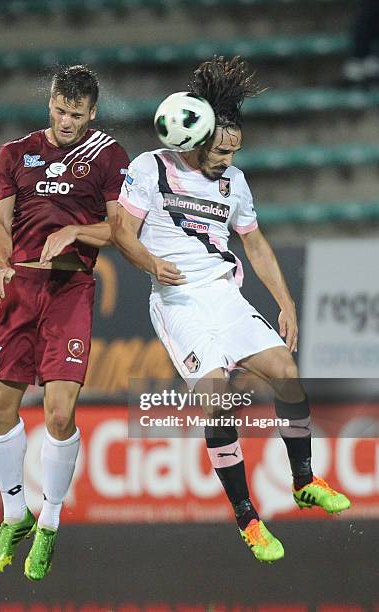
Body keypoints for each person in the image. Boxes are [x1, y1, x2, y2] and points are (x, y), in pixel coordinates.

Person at [111, 56, 350, 563]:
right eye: (220, 149)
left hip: (225, 296)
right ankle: (247, 517)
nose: (227, 158)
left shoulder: (233, 183)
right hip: (179, 303)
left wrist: (285, 302)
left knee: (286, 372)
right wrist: (153, 262)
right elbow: (120, 235)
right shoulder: (149, 168)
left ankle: (304, 481)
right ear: (197, 136)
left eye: (235, 150)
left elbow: (256, 245)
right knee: (218, 396)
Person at [0, 65, 129, 580]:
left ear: (92, 113)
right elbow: (0, 222)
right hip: (20, 286)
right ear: (51, 104)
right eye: (60, 110)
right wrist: (1, 267)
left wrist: (76, 233)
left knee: (60, 414)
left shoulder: (107, 155)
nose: (66, 122)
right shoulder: (14, 152)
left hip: (70, 291)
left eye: (77, 114)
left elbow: (121, 231)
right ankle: (13, 513)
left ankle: (50, 521)